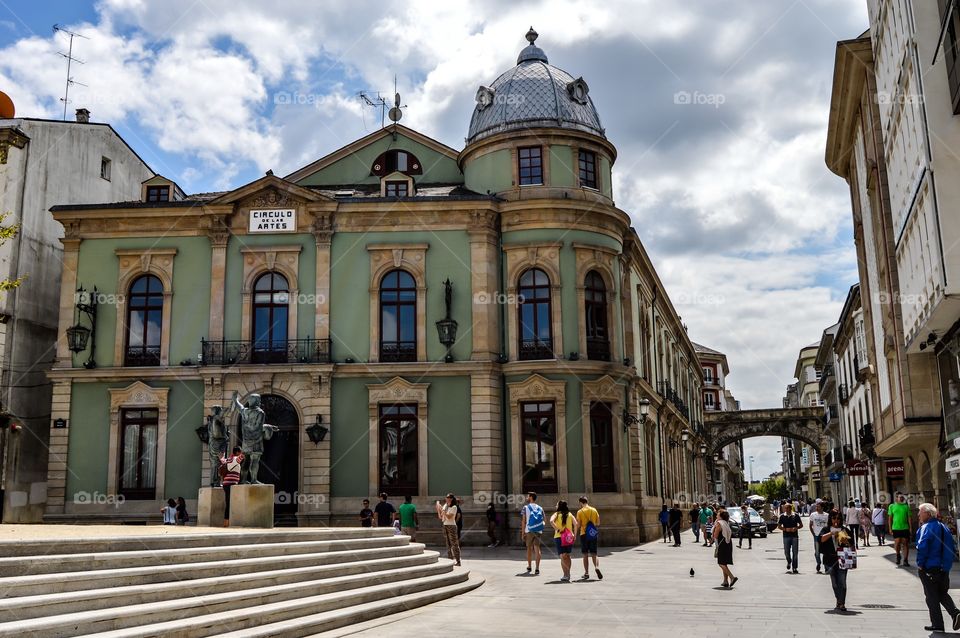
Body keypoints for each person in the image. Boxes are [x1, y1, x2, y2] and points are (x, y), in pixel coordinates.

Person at [916, 502, 960, 632]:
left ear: (928, 514)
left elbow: (922, 547)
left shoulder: (926, 528)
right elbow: (952, 547)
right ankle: (955, 613)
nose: (918, 514)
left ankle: (938, 624)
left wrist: (920, 564)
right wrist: (946, 565)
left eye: (920, 512)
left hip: (929, 567)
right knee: (941, 593)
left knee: (931, 597)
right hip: (944, 568)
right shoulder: (943, 527)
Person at [820, 509, 852, 612]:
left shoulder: (844, 530)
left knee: (842, 582)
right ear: (830, 519)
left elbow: (851, 544)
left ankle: (841, 603)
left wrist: (845, 540)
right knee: (834, 583)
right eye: (834, 518)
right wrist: (831, 533)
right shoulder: (826, 529)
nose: (836, 520)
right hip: (829, 558)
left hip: (842, 558)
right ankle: (838, 600)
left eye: (838, 518)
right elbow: (821, 539)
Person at [550, 500, 579, 582]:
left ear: (559, 506)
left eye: (556, 505)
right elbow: (576, 524)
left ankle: (565, 574)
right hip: (569, 537)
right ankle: (568, 574)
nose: (556, 506)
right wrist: (574, 535)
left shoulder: (556, 514)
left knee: (563, 556)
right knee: (567, 555)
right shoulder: (570, 514)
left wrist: (557, 529)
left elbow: (551, 521)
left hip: (559, 537)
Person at [576, 496, 602, 580]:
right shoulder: (594, 510)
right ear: (587, 501)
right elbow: (598, 523)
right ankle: (597, 567)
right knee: (594, 553)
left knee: (585, 554)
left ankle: (586, 573)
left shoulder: (580, 512)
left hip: (584, 534)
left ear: (580, 502)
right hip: (593, 534)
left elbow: (578, 525)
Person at [521, 492, 545, 575]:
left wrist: (522, 532)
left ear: (531, 497)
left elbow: (523, 521)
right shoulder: (540, 508)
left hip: (529, 530)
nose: (527, 497)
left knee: (529, 549)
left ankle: (529, 566)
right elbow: (544, 520)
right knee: (537, 549)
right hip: (538, 530)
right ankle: (537, 568)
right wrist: (539, 527)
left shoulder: (525, 508)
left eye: (528, 496)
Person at [219, 447, 243, 527]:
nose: (240, 453)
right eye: (240, 451)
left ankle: (226, 522)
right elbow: (241, 458)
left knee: (228, 503)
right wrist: (245, 453)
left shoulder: (228, 459)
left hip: (226, 484)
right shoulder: (235, 458)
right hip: (231, 484)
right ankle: (226, 523)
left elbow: (222, 460)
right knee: (229, 504)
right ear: (237, 452)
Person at [713, 509, 737, 588]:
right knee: (724, 563)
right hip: (728, 543)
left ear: (720, 516)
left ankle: (732, 577)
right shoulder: (726, 523)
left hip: (722, 544)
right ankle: (725, 581)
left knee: (721, 563)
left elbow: (715, 536)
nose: (716, 515)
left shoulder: (719, 523)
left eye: (718, 514)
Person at [888, 492, 912, 567]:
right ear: (896, 498)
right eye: (900, 497)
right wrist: (890, 528)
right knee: (897, 542)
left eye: (902, 497)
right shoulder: (892, 506)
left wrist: (910, 528)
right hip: (896, 527)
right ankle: (898, 555)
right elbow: (890, 518)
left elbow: (909, 518)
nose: (901, 498)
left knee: (905, 543)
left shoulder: (906, 507)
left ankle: (905, 560)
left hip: (905, 527)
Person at [778, 502, 803, 574]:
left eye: (788, 508)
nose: (786, 509)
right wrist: (785, 529)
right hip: (786, 536)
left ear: (790, 508)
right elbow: (779, 526)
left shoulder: (795, 515)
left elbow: (801, 525)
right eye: (785, 508)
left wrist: (796, 528)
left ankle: (795, 567)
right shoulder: (782, 516)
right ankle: (789, 561)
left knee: (795, 553)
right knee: (786, 552)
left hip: (794, 536)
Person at [437, 493, 461, 566]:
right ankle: (450, 560)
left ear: (451, 499)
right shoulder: (445, 505)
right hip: (445, 525)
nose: (446, 499)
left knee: (454, 544)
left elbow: (449, 517)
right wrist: (438, 509)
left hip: (451, 526)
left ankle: (458, 560)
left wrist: (442, 510)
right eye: (446, 497)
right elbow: (441, 516)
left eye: (448, 497)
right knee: (448, 544)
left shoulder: (454, 507)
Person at [809, 501, 830, 573]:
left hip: (824, 536)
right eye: (816, 507)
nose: (817, 508)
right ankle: (818, 563)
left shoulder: (827, 515)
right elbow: (810, 525)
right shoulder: (813, 515)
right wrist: (813, 533)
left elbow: (829, 526)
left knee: (825, 551)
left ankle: (826, 566)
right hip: (816, 535)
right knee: (817, 552)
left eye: (818, 507)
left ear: (822, 507)